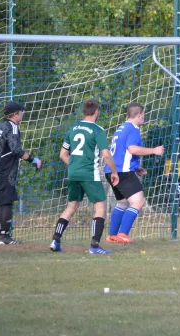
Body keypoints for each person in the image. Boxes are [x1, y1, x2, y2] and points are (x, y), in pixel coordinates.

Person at [49, 99, 119, 254]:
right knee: (100, 207)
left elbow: (63, 154)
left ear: (84, 112)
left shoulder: (72, 129)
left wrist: (74, 166)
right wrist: (114, 172)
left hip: (73, 173)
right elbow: (106, 155)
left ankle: (55, 240)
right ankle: (94, 246)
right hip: (90, 174)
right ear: (96, 111)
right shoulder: (97, 130)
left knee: (71, 206)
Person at [104, 103, 164, 244]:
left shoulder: (121, 128)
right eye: (144, 114)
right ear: (139, 115)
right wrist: (154, 150)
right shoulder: (133, 129)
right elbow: (132, 149)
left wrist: (135, 168)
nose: (144, 117)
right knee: (138, 202)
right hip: (122, 172)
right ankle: (123, 234)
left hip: (111, 171)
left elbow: (121, 152)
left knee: (123, 203)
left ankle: (112, 236)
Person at [0, 101, 42, 245]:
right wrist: (33, 160)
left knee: (1, 196)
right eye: (22, 112)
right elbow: (16, 150)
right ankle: (5, 236)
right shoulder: (13, 127)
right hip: (4, 169)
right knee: (7, 201)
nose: (23, 114)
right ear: (16, 114)